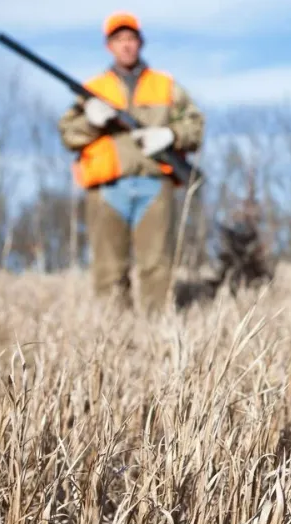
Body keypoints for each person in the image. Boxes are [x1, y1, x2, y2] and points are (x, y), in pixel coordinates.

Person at [57, 11, 204, 313]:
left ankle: (156, 337)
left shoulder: (165, 85)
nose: (126, 45)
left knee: (157, 267)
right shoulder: (92, 90)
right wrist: (90, 121)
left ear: (140, 43)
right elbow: (68, 134)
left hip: (155, 184)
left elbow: (196, 126)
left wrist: (170, 135)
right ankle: (114, 340)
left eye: (131, 39)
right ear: (108, 46)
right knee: (108, 270)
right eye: (119, 39)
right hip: (107, 188)